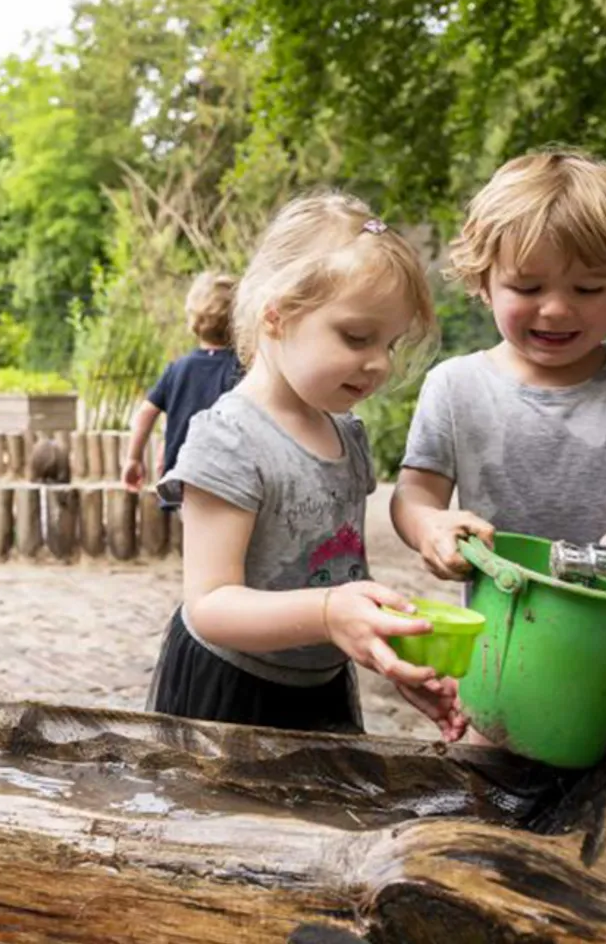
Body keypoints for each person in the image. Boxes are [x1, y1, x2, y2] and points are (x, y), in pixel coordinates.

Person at [390, 150, 606, 757]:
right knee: (491, 811)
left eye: (588, 288)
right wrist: (431, 527)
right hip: (502, 674)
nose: (555, 308)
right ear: (483, 281)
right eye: (527, 287)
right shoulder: (456, 387)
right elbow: (415, 493)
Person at [147, 193, 467, 740]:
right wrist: (327, 613)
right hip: (228, 693)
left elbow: (338, 571)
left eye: (390, 344)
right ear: (276, 315)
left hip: (321, 685)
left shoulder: (347, 433)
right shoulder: (230, 439)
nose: (379, 364)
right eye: (357, 337)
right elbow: (210, 606)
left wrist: (390, 648)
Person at [122, 271, 242, 492]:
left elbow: (146, 412)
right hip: (225, 480)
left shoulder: (177, 369)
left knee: (184, 515)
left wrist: (133, 458)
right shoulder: (242, 370)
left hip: (180, 479)